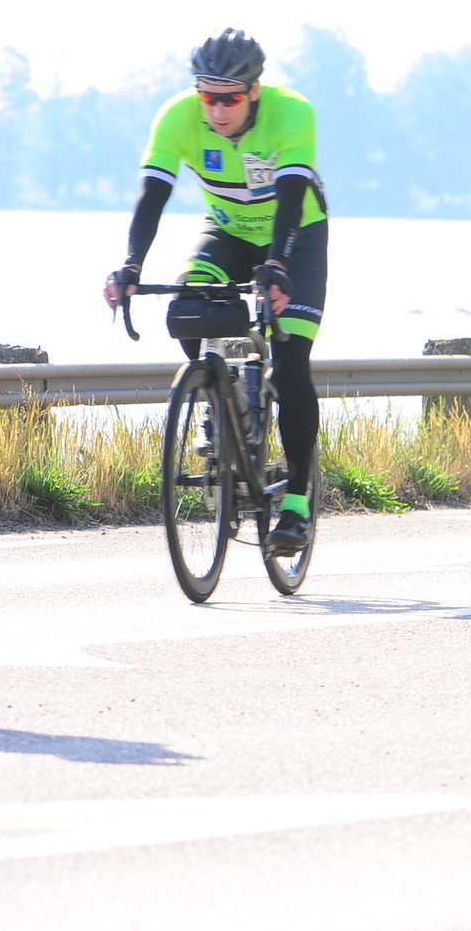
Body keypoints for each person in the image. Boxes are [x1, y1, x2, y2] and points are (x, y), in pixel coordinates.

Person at [103, 29, 328, 556]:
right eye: (208, 97)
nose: (218, 110)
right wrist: (132, 265)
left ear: (254, 91)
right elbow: (153, 196)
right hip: (227, 232)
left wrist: (277, 266)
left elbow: (291, 198)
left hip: (295, 238)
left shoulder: (292, 113)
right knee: (187, 309)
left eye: (230, 98)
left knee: (291, 363)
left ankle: (296, 506)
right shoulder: (177, 117)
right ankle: (221, 405)